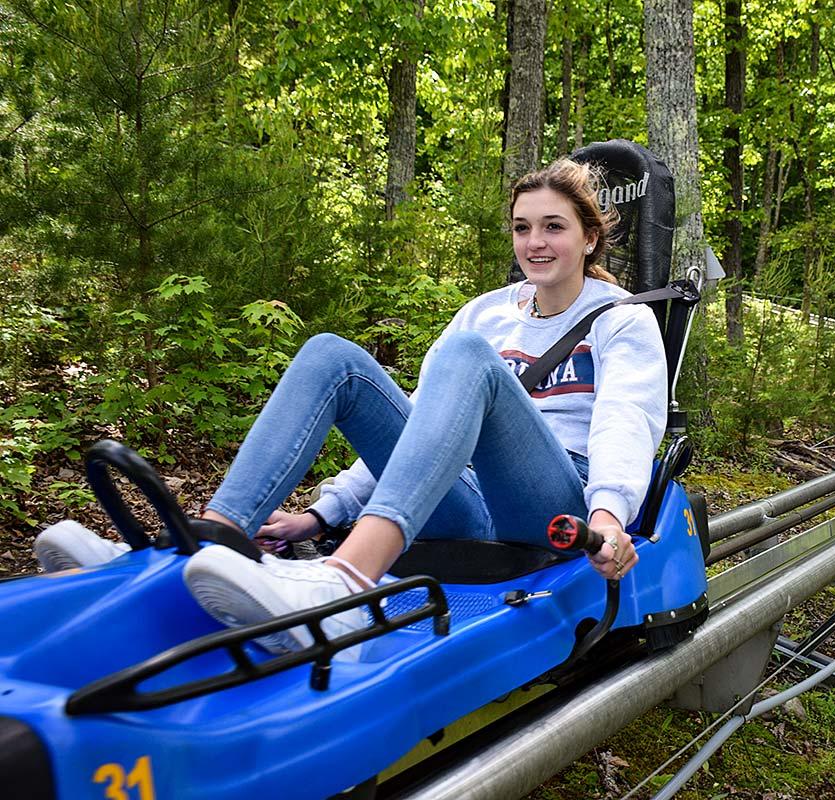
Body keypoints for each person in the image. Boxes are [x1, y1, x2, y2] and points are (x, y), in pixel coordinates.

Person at [35, 159, 668, 656]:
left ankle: (347, 579)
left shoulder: (622, 320)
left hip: (555, 501)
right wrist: (322, 513)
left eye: (554, 227)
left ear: (588, 238)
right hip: (461, 500)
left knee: (467, 357)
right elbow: (427, 425)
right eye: (522, 226)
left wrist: (609, 515)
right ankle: (207, 543)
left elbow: (626, 422)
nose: (535, 241)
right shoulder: (486, 311)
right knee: (330, 354)